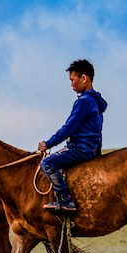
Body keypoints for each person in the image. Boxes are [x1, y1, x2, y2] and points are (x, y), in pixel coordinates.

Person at [38, 59, 108, 213]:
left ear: (84, 78)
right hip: (91, 149)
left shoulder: (84, 101)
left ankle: (65, 200)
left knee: (47, 163)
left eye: (72, 80)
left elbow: (68, 128)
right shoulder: (95, 102)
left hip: (80, 149)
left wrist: (47, 144)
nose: (71, 85)